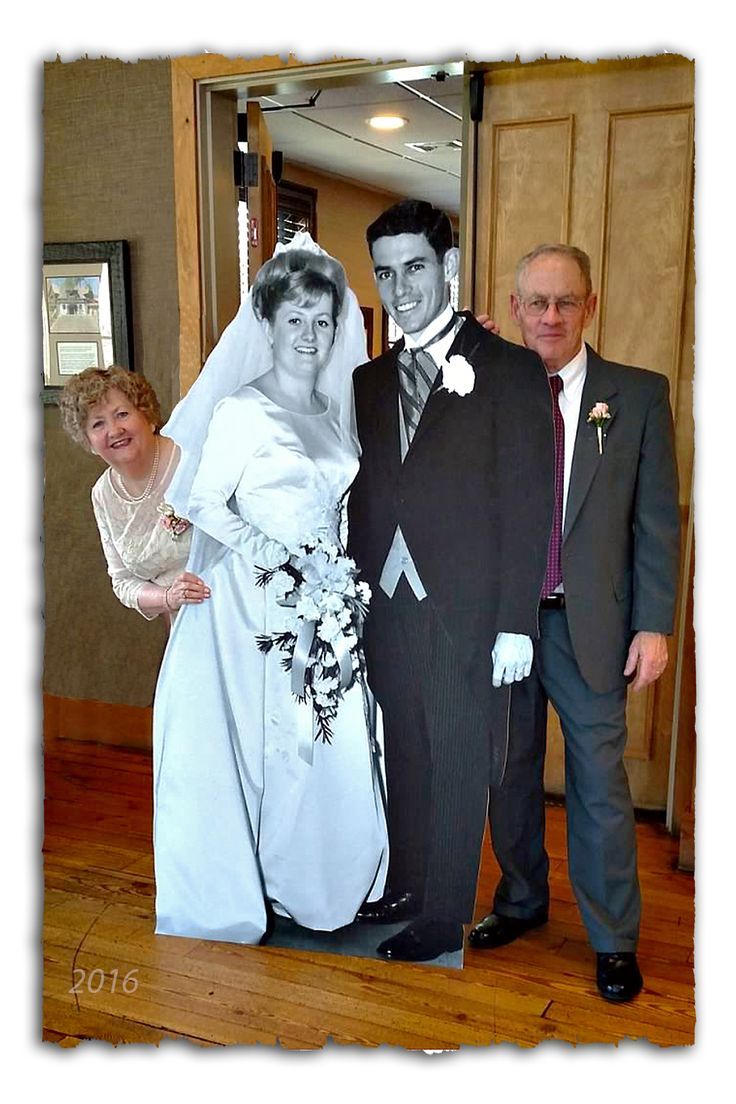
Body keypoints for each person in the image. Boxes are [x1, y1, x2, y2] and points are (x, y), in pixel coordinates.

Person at [151, 235, 388, 943]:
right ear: (269, 323)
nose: (311, 336)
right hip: (253, 601)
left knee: (329, 736)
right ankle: (268, 881)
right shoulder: (242, 411)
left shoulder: (331, 409)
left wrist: (331, 575)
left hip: (325, 596)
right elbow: (204, 502)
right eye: (296, 320)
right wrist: (285, 560)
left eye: (324, 321)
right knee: (271, 740)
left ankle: (322, 882)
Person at [468, 244, 681, 1003]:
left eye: (565, 302)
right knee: (508, 772)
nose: (550, 316)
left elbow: (657, 524)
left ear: (590, 305)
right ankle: (521, 902)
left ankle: (613, 937)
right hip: (501, 623)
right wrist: (454, 367)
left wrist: (654, 624)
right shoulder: (484, 389)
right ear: (518, 309)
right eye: (536, 303)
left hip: (593, 628)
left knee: (599, 783)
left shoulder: (639, 396)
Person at [347, 199, 555, 962]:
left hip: (469, 610)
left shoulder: (508, 369)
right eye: (386, 272)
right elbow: (370, 493)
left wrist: (515, 623)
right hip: (386, 605)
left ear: (450, 269)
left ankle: (442, 915)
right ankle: (404, 883)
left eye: (415, 268)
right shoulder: (370, 382)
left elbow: (529, 500)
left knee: (462, 754)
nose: (400, 287)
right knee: (402, 745)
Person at [59, 366, 210, 623]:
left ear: (147, 417)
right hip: (182, 625)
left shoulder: (193, 461)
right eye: (98, 424)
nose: (115, 430)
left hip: (237, 607)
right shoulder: (103, 494)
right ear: (88, 441)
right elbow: (122, 581)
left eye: (122, 414)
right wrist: (167, 598)